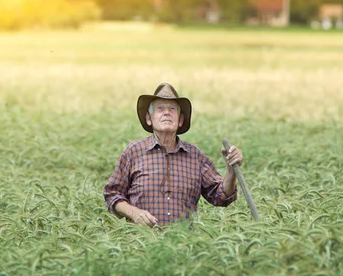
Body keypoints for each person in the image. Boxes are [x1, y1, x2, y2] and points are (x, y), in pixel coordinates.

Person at [103, 82, 243, 227]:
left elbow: (221, 196)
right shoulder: (134, 152)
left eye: (172, 109)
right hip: (141, 242)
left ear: (180, 120)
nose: (166, 112)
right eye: (160, 109)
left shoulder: (195, 156)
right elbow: (112, 194)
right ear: (149, 118)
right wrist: (134, 213)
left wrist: (231, 172)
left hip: (182, 245)